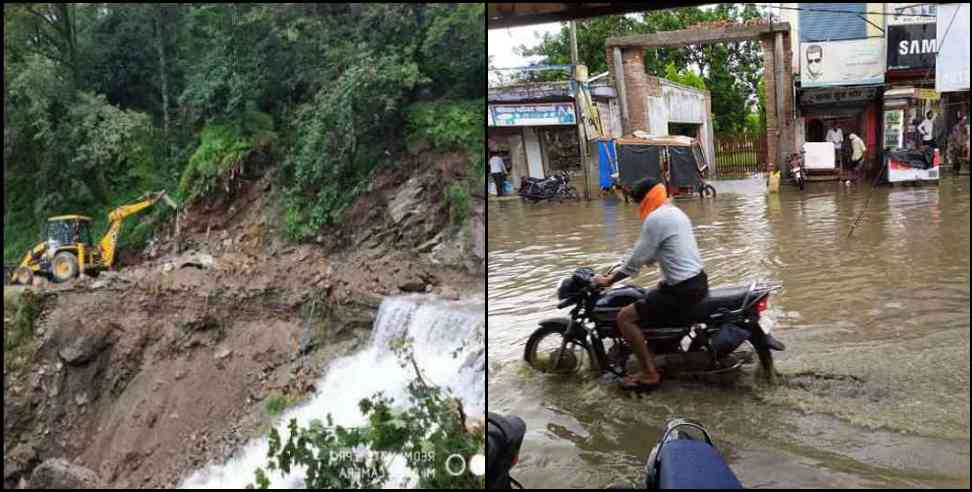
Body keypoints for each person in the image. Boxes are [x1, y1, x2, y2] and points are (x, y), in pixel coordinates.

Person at [592, 177, 708, 391]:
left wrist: (609, 279)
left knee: (624, 317)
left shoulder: (656, 218)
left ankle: (649, 373)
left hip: (682, 289)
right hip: (696, 281)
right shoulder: (674, 211)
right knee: (648, 294)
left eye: (637, 203)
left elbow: (636, 258)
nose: (637, 208)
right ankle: (661, 347)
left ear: (644, 200)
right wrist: (643, 259)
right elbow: (658, 249)